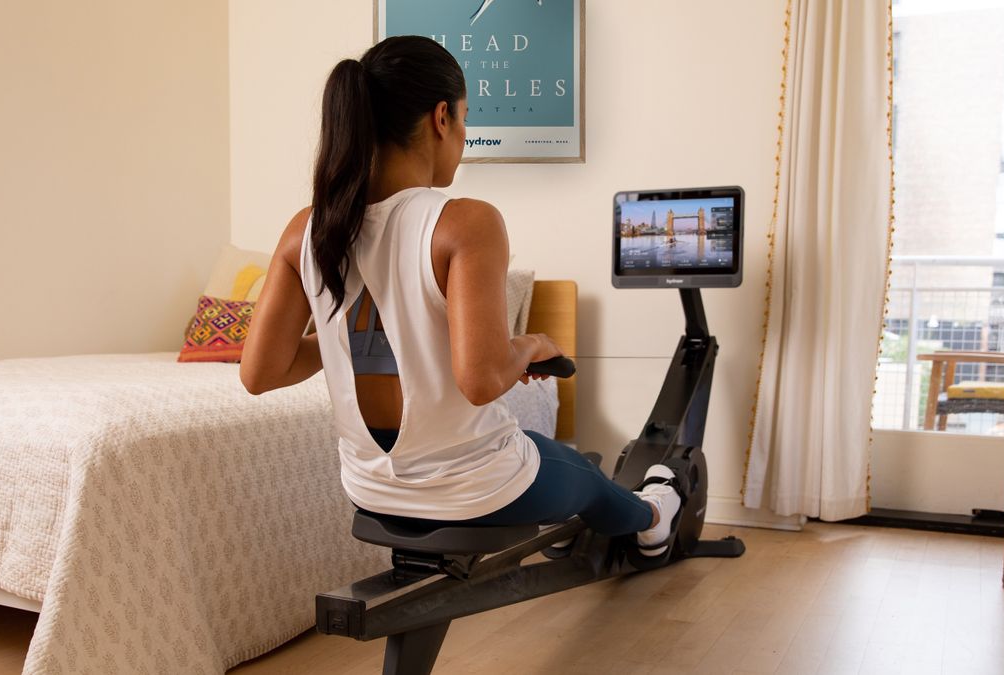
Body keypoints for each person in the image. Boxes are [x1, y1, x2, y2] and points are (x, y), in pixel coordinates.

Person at [239, 35, 680, 556]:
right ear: (441, 117)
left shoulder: (305, 230)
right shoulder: (465, 222)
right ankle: (654, 517)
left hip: (370, 491)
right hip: (478, 491)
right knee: (582, 474)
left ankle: (626, 515)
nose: (466, 135)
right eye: (466, 118)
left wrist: (353, 337)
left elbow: (260, 372)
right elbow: (482, 379)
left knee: (566, 466)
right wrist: (533, 344)